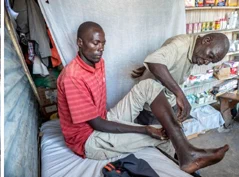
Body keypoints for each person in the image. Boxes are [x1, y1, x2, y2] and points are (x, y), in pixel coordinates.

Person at [58, 22, 228, 174]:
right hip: (89, 141)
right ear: (80, 43)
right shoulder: (72, 77)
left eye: (103, 43)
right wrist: (144, 129)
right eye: (95, 43)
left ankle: (188, 156)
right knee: (163, 134)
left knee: (149, 85)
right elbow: (97, 124)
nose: (101, 48)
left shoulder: (97, 62)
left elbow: (100, 119)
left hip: (102, 120)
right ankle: (187, 162)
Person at [130, 32, 232, 125]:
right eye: (210, 56)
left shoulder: (195, 47)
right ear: (206, 40)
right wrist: (180, 94)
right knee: (156, 139)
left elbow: (165, 58)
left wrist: (146, 68)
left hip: (169, 98)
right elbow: (154, 62)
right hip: (153, 104)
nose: (206, 62)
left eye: (211, 61)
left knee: (173, 133)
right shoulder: (180, 45)